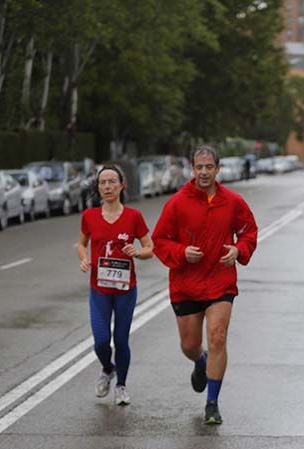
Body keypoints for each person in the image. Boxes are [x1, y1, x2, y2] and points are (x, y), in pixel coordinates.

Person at [151, 145, 258, 425]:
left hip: (220, 282)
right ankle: (200, 362)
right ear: (192, 169)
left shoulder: (232, 201)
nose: (204, 172)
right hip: (186, 284)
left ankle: (212, 403)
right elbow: (160, 240)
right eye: (199, 167)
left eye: (209, 167)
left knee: (218, 337)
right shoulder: (177, 202)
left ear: (217, 169)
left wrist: (237, 250)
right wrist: (181, 253)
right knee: (189, 345)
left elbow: (249, 232)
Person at [77, 164, 153, 406]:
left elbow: (150, 248)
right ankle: (108, 369)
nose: (107, 186)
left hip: (125, 291)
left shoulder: (133, 217)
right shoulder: (89, 216)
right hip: (99, 289)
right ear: (98, 188)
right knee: (100, 341)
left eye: (112, 182)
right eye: (103, 183)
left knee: (120, 340)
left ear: (122, 185)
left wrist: (137, 252)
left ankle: (121, 386)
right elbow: (81, 243)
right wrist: (84, 258)